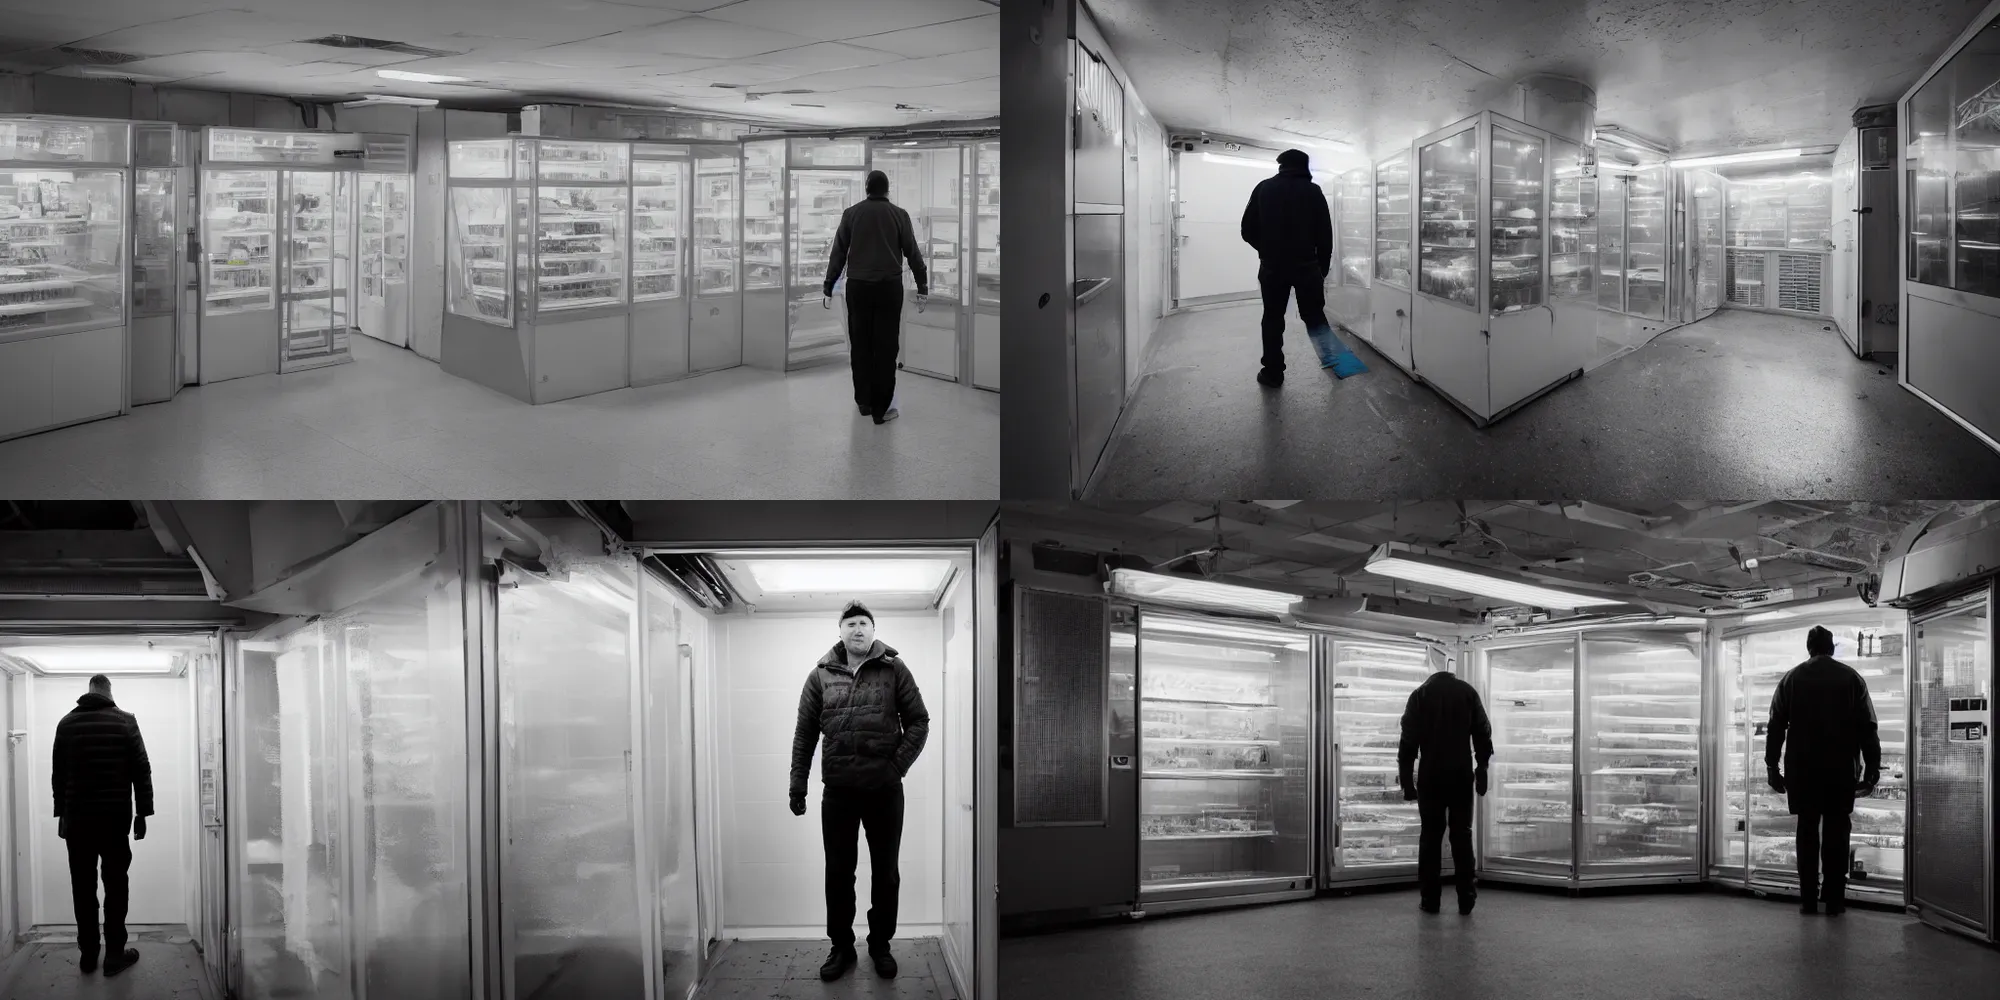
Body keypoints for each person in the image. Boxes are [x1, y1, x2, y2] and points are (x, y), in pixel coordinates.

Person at [789, 600, 931, 981]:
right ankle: (841, 947)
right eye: (850, 623)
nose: (857, 629)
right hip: (838, 792)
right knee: (839, 872)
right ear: (840, 631)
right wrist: (797, 785)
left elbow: (919, 721)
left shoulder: (894, 668)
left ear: (873, 630)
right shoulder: (819, 676)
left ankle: (880, 945)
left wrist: (895, 767)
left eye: (864, 623)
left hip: (884, 791)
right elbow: (805, 734)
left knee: (885, 873)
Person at [1765, 625, 1882, 915]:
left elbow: (1775, 726)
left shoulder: (1791, 679)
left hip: (1802, 770)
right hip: (1840, 769)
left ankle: (1807, 898)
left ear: (1809, 648)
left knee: (1807, 830)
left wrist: (1772, 766)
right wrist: (1872, 770)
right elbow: (1868, 727)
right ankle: (1834, 898)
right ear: (1831, 648)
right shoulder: (1852, 678)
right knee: (1837, 831)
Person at [52, 673, 153, 977]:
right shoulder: (125, 721)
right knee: (116, 886)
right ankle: (114, 956)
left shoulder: (66, 723)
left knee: (82, 887)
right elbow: (141, 769)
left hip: (78, 822)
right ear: (109, 693)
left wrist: (62, 815)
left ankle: (88, 955)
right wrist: (142, 814)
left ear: (88, 693)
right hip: (114, 821)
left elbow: (58, 773)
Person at [1239, 148, 1365, 386]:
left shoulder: (1263, 188)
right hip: (1307, 267)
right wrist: (1322, 268)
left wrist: (1266, 249)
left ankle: (1273, 372)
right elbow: (1325, 235)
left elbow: (1246, 230)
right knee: (1315, 316)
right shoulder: (1313, 191)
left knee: (1273, 318)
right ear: (1304, 167)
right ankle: (1339, 364)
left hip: (1272, 267)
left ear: (1281, 165)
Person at [824, 170, 929, 425]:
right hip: (888, 288)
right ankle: (882, 409)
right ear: (887, 190)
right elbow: (912, 253)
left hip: (858, 288)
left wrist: (829, 284)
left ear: (866, 188)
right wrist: (922, 284)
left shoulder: (851, 214)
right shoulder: (899, 215)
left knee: (860, 344)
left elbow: (838, 252)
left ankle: (864, 402)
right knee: (886, 347)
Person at [1398, 663, 1493, 915]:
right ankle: (1466, 898)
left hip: (1431, 776)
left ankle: (1430, 900)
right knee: (1461, 834)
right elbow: (1483, 733)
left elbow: (1407, 743)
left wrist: (1407, 782)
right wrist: (1481, 767)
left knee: (1430, 836)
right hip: (1461, 775)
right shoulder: (1467, 692)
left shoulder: (1419, 696)